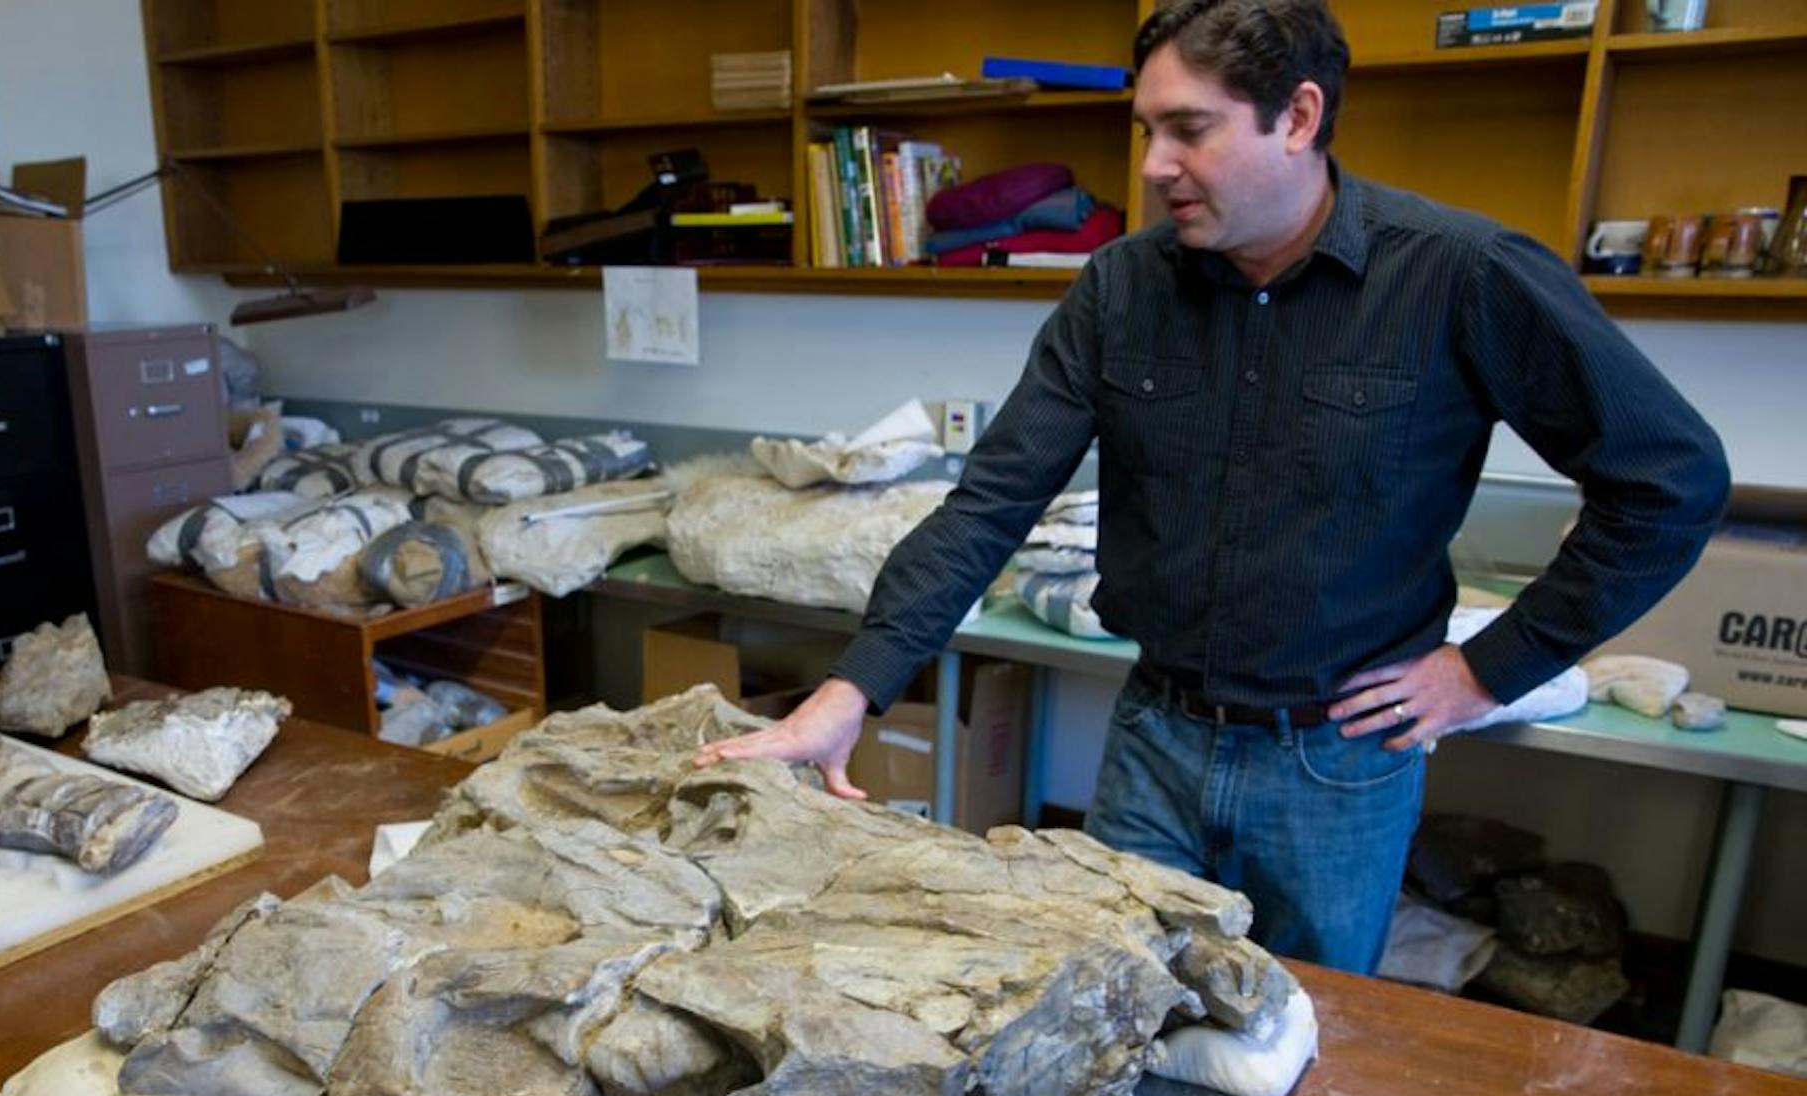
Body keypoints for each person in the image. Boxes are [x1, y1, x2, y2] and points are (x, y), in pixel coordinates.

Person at [694, 0, 1729, 974]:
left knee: (1307, 1044)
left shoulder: (1458, 275)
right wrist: (849, 692)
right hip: (1155, 734)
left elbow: (1670, 482)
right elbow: (989, 504)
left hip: (1340, 762)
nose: (1154, 167)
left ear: (1300, 117)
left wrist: (1485, 671)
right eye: (1147, 130)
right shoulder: (1121, 286)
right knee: (1103, 1016)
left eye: (1189, 130)